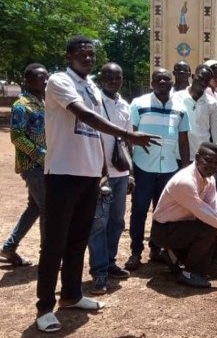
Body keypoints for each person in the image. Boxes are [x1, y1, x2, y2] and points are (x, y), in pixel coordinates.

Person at [35, 36, 159, 333]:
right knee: (54, 243)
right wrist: (129, 135)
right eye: (82, 54)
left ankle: (72, 295)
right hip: (63, 173)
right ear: (68, 55)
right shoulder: (59, 81)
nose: (88, 58)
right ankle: (43, 308)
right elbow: (86, 116)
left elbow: (97, 134)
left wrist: (104, 169)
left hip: (90, 175)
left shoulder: (91, 85)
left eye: (91, 54)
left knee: (78, 240)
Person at [151, 142, 217, 288]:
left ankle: (174, 256)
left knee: (215, 238)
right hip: (163, 230)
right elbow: (204, 213)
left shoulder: (209, 179)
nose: (212, 166)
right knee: (208, 229)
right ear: (197, 157)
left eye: (216, 163)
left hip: (182, 226)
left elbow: (215, 210)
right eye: (208, 160)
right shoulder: (185, 181)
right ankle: (189, 272)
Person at [125, 69, 190, 271]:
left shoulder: (181, 107)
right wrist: (130, 170)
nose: (162, 81)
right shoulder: (138, 103)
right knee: (139, 210)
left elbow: (184, 140)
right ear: (151, 82)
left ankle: (156, 249)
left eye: (166, 79)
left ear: (172, 82)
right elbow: (128, 136)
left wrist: (185, 169)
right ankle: (136, 252)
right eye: (158, 79)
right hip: (143, 166)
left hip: (170, 167)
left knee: (162, 211)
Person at [0, 63, 49, 267]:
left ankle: (8, 248)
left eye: (46, 77)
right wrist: (42, 155)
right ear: (27, 80)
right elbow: (17, 137)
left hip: (45, 165)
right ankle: (48, 255)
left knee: (34, 207)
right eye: (39, 77)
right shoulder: (21, 105)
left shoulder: (43, 103)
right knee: (47, 208)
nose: (45, 81)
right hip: (33, 165)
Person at [87, 63, 132, 295]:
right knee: (98, 224)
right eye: (109, 76)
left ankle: (111, 262)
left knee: (116, 222)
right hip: (98, 173)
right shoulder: (93, 102)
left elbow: (127, 141)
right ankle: (99, 272)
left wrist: (130, 173)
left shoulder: (125, 105)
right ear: (101, 78)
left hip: (121, 174)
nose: (114, 80)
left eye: (118, 76)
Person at [172, 64, 217, 160]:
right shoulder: (176, 98)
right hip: (177, 154)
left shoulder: (212, 103)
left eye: (206, 80)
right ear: (193, 77)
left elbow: (216, 130)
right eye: (200, 78)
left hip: (201, 155)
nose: (203, 82)